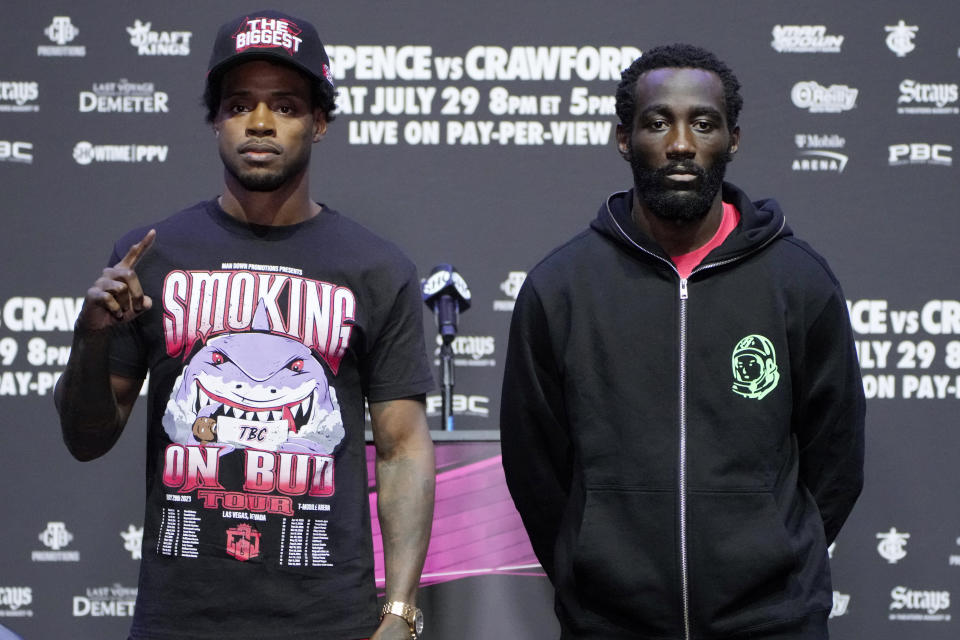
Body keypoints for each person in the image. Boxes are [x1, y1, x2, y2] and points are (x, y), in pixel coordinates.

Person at [55, 10, 434, 640]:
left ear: (318, 121)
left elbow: (401, 450)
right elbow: (87, 438)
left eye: (284, 105)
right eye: (239, 105)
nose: (260, 123)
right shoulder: (153, 255)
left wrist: (399, 611)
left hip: (327, 620)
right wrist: (90, 338)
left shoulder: (375, 267)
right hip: (181, 620)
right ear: (215, 121)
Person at [500, 43, 865, 639]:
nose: (680, 144)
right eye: (656, 122)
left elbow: (836, 453)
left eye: (703, 123)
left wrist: (778, 554)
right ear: (624, 138)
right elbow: (535, 465)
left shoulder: (797, 280)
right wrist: (588, 564)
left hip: (771, 621)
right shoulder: (561, 287)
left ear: (733, 139)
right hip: (611, 623)